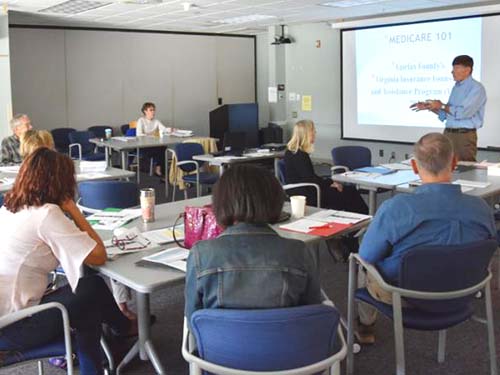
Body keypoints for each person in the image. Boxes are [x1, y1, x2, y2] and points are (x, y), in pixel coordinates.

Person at [0, 148, 134, 375]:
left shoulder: (9, 208)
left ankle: (101, 357)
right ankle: (122, 330)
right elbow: (99, 254)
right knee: (90, 289)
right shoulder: (46, 214)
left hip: (7, 315)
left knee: (86, 295)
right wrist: (73, 209)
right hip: (16, 327)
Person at [356, 133, 496, 344]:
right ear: (455, 162)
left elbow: (367, 255)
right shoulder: (481, 209)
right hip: (465, 289)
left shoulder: (396, 208)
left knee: (359, 263)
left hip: (404, 295)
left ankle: (366, 327)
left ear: (413, 166)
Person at [184, 164, 322, 324]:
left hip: (218, 347)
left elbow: (192, 318)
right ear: (275, 201)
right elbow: (313, 312)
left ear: (220, 203)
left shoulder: (201, 254)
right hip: (290, 346)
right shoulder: (299, 251)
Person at [410, 55, 486, 161]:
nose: (452, 72)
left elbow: (463, 113)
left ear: (468, 70)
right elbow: (447, 114)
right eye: (453, 68)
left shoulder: (476, 88)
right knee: (446, 167)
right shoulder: (456, 88)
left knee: (465, 169)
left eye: (456, 68)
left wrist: (441, 105)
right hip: (448, 134)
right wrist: (430, 107)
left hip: (463, 137)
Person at [284, 119, 368, 214]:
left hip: (304, 190)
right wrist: (330, 183)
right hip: (308, 192)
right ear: (306, 134)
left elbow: (309, 177)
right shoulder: (300, 155)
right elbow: (310, 179)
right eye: (313, 130)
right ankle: (366, 220)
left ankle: (359, 220)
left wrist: (329, 182)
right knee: (349, 192)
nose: (315, 132)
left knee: (346, 191)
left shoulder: (292, 151)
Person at [136, 102, 168, 177]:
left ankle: (159, 169)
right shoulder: (141, 120)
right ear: (145, 111)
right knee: (160, 150)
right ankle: (160, 170)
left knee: (163, 148)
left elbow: (164, 129)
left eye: (154, 110)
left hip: (153, 144)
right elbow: (139, 134)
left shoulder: (156, 121)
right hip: (143, 146)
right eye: (151, 110)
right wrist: (150, 135)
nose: (153, 112)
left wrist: (171, 130)